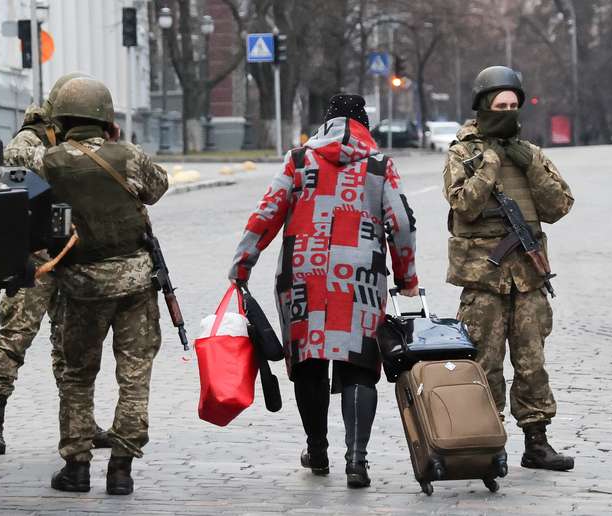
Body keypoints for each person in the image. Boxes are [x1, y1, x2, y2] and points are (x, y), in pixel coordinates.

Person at [229, 94, 419, 488]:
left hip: (304, 274)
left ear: (326, 123)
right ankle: (356, 460)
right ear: (365, 124)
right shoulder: (380, 166)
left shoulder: (299, 160)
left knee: (310, 364)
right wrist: (407, 277)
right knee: (358, 367)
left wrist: (242, 264)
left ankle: (317, 450)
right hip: (360, 278)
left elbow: (267, 213)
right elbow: (400, 223)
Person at [39, 77, 168, 495]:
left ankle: (76, 468)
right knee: (134, 374)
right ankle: (121, 469)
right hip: (135, 284)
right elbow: (157, 186)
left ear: (59, 121)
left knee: (77, 375)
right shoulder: (126, 155)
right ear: (107, 120)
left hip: (81, 287)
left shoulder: (50, 162)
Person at [442, 65, 575, 471]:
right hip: (484, 280)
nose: (508, 112)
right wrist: (491, 163)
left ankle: (537, 443)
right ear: (483, 106)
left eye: (514, 105)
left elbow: (559, 207)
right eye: (500, 106)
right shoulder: (463, 152)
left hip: (528, 277)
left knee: (532, 363)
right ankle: (488, 442)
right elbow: (464, 204)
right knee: (485, 365)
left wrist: (528, 164)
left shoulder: (530, 153)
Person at [0, 73, 112, 455]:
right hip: (34, 258)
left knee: (70, 344)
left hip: (68, 253)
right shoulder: (28, 143)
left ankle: (79, 424)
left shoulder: (70, 143)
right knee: (16, 337)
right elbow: (56, 168)